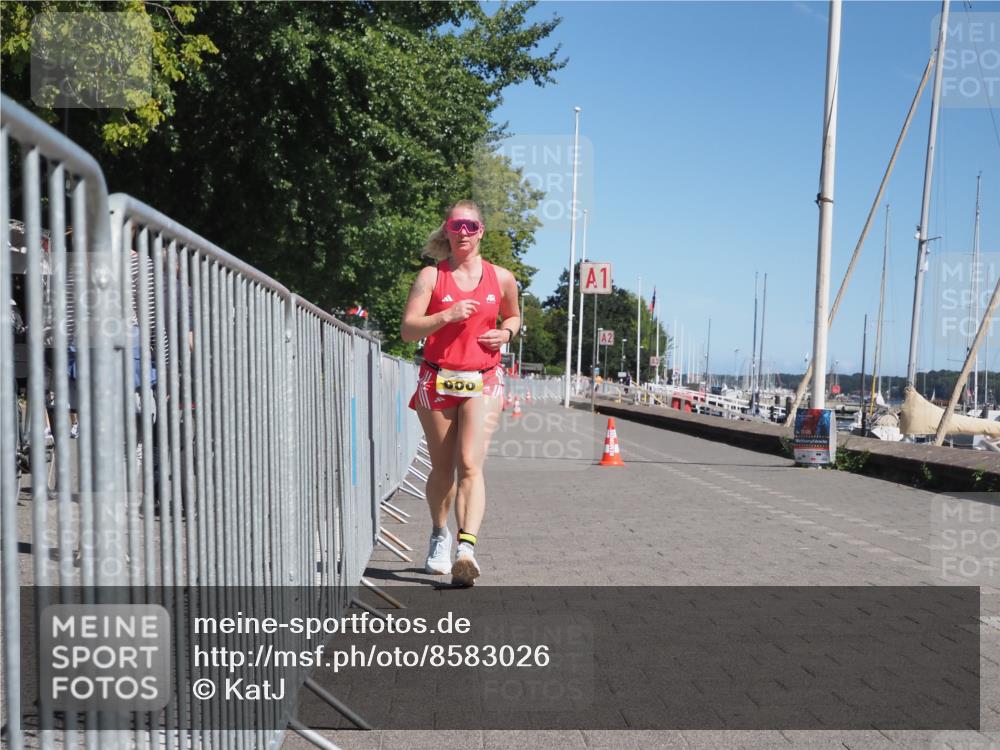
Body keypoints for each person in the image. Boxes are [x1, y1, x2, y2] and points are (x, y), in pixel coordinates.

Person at [401, 200, 520, 586]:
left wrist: (506, 333)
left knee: (470, 462)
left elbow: (514, 315)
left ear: (481, 230)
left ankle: (466, 550)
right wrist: (445, 316)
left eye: (471, 226)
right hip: (437, 377)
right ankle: (439, 534)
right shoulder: (431, 277)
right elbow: (408, 330)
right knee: (443, 468)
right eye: (457, 226)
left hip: (483, 378)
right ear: (447, 231)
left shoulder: (501, 278)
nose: (463, 233)